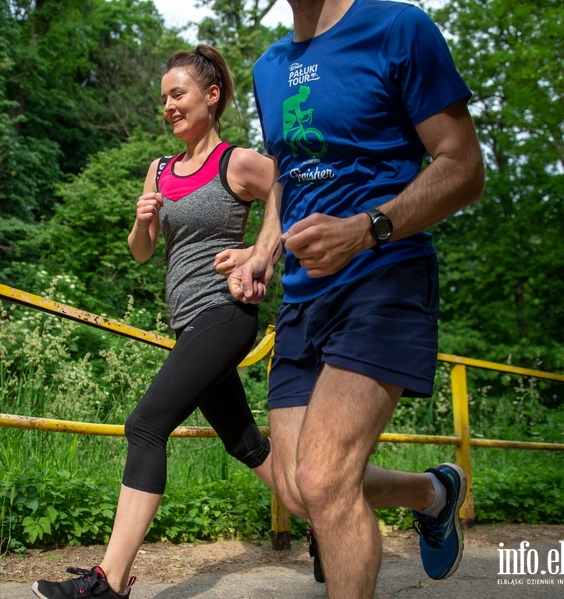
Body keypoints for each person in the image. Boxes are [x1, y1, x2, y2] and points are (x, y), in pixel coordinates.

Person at [229, 1, 486, 598]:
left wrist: (367, 228)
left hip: (383, 276)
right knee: (297, 489)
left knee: (324, 477)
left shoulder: (399, 29)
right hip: (302, 299)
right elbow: (289, 175)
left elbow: (464, 166)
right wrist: (264, 250)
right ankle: (433, 493)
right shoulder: (270, 66)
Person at [31, 44, 279, 599]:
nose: (168, 106)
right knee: (248, 447)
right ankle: (330, 520)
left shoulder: (234, 162)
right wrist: (144, 222)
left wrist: (261, 251)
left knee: (145, 425)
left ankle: (109, 583)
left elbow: (287, 184)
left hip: (226, 313)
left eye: (178, 94)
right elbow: (142, 253)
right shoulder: (161, 169)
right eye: (163, 97)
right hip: (189, 322)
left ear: (211, 97)